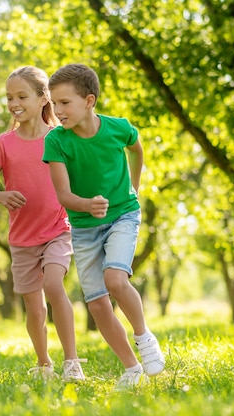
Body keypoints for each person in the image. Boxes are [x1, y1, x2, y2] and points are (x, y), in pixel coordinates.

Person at [42, 63, 165, 390]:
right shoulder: (56, 141)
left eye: (65, 103)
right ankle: (132, 369)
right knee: (96, 304)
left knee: (115, 278)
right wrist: (86, 205)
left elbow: (136, 146)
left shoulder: (117, 128)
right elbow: (63, 195)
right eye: (54, 103)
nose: (58, 110)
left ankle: (144, 337)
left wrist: (135, 184)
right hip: (83, 226)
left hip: (123, 214)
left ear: (89, 100)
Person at [0, 66, 85, 381]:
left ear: (43, 98)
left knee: (54, 285)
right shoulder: (4, 143)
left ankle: (72, 362)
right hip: (22, 238)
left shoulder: (60, 138)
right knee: (35, 310)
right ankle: (43, 363)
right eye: (10, 97)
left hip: (57, 229)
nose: (14, 103)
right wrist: (1, 196)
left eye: (22, 96)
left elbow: (81, 175)